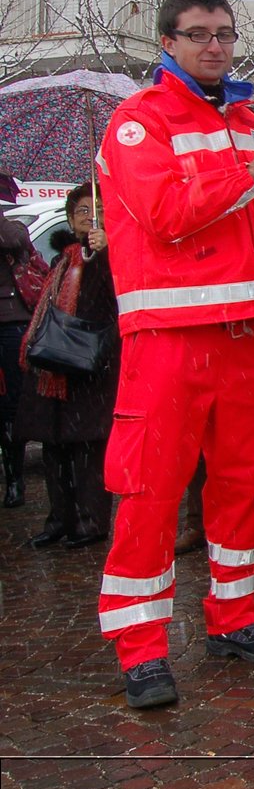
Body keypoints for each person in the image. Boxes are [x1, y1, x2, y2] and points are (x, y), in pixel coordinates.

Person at [96, 0, 254, 710]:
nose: (215, 45)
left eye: (224, 33)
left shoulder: (251, 120)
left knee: (245, 483)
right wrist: (247, 170)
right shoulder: (136, 123)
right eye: (199, 33)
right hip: (169, 341)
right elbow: (164, 214)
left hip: (245, 338)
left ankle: (233, 617)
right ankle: (142, 648)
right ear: (168, 43)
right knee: (150, 492)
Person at [15, 184, 116, 548]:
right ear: (71, 220)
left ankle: (91, 522)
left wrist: (104, 253)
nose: (91, 217)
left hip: (92, 363)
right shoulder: (62, 260)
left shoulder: (112, 255)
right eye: (83, 211)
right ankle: (60, 518)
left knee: (88, 448)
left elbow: (116, 300)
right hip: (55, 364)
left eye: (99, 209)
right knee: (55, 447)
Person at [0, 212, 35, 507]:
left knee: (11, 404)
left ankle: (15, 478)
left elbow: (15, 241)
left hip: (9, 323)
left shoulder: (12, 228)